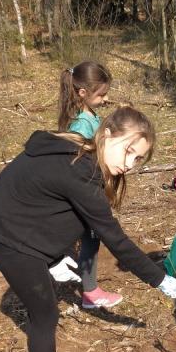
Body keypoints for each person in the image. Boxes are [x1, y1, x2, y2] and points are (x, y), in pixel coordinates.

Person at [0, 106, 176, 352]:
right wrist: (160, 279)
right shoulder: (81, 171)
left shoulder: (80, 152)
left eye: (138, 159)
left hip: (10, 225)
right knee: (45, 315)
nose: (129, 164)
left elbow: (42, 205)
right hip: (5, 239)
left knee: (47, 305)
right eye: (128, 151)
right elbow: (116, 240)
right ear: (106, 133)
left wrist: (53, 257)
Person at [56, 60, 121, 310]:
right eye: (101, 94)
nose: (106, 98)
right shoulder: (81, 125)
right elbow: (79, 163)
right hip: (87, 193)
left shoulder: (90, 116)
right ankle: (90, 293)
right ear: (83, 93)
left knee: (90, 239)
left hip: (94, 190)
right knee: (91, 239)